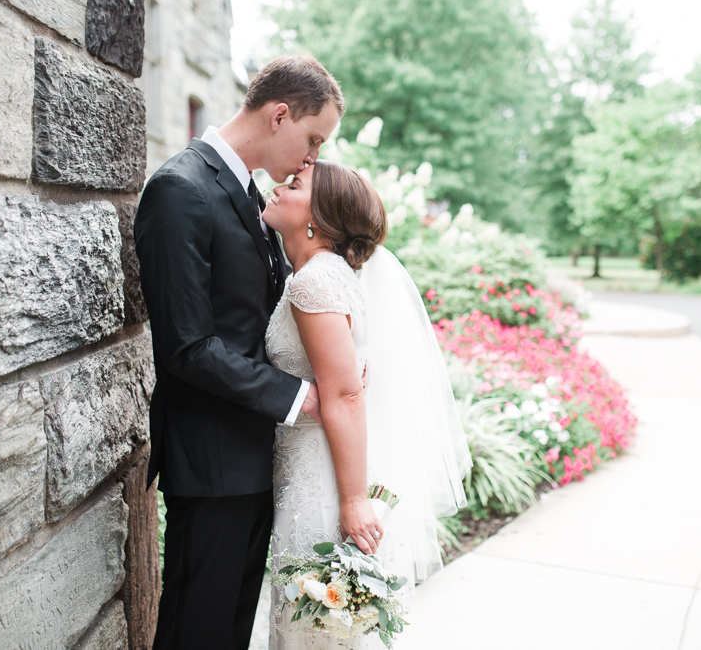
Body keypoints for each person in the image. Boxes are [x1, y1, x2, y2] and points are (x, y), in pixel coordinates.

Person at [134, 55, 344, 650]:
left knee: (228, 634)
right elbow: (188, 346)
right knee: (195, 632)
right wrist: (301, 395)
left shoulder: (246, 193)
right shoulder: (181, 189)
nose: (312, 159)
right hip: (210, 459)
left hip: (254, 453)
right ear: (280, 115)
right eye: (312, 140)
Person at [262, 160, 472, 649]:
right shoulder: (327, 275)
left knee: (311, 629)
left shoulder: (313, 282)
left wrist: (354, 501)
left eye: (294, 185)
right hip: (313, 468)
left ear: (318, 219)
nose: (277, 187)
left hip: (323, 482)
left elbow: (345, 394)